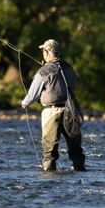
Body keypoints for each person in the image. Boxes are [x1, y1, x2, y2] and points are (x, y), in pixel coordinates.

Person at [21, 39, 85, 171]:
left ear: (46, 52)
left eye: (43, 51)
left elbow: (33, 95)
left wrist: (25, 103)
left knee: (49, 150)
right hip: (71, 110)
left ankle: (49, 177)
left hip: (51, 112)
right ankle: (80, 173)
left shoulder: (43, 72)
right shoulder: (69, 68)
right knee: (75, 148)